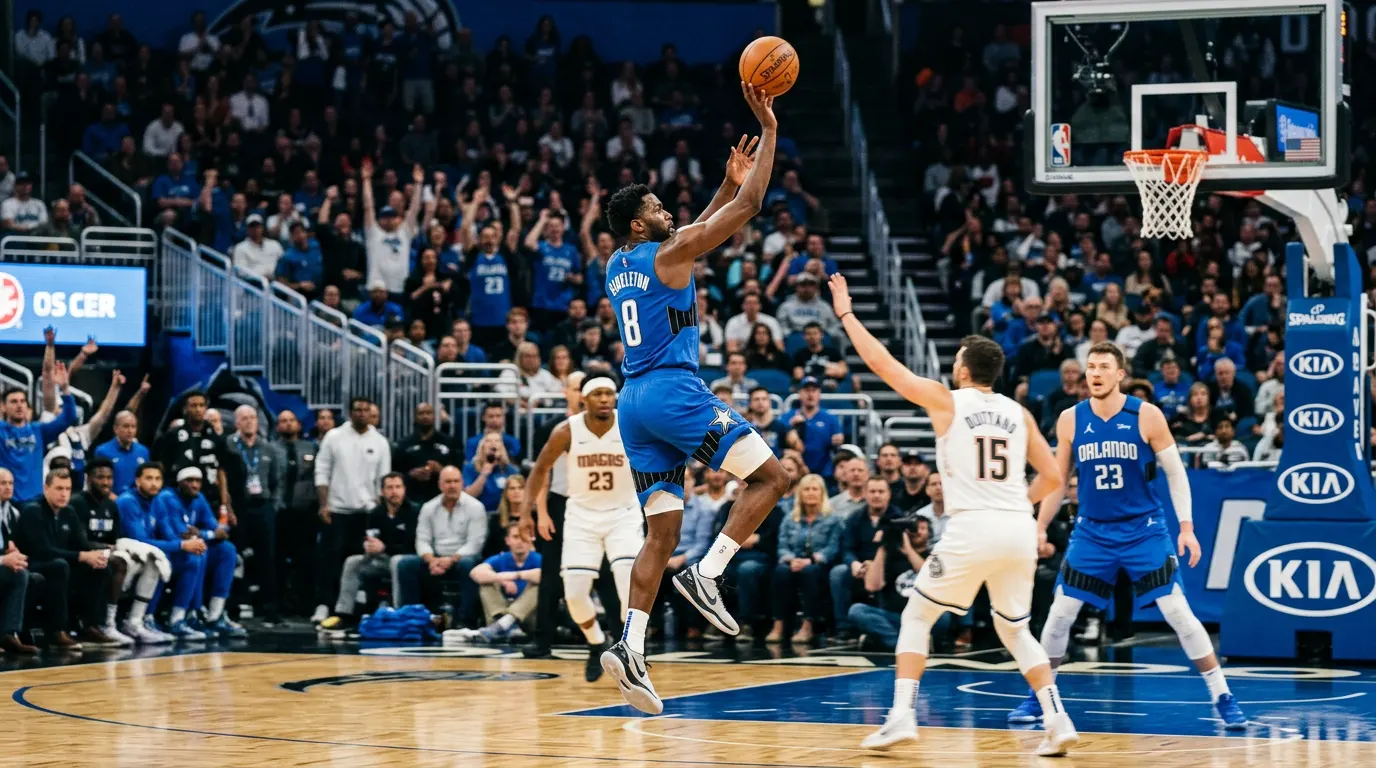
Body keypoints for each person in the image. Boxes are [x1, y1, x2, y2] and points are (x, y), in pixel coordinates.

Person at [599, 87, 791, 716]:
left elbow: (691, 234)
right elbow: (752, 206)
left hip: (633, 402)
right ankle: (708, 574)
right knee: (773, 476)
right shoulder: (670, 253)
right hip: (673, 392)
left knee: (661, 530)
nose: (666, 210)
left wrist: (720, 189)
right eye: (657, 206)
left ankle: (630, 645)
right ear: (638, 222)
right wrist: (766, 127)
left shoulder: (619, 262)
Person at [831, 273, 1078, 756]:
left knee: (917, 617)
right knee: (1015, 629)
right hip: (1017, 531)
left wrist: (847, 314)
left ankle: (901, 716)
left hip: (973, 528)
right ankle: (1057, 719)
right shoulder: (1019, 413)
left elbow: (884, 366)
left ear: (964, 369)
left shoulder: (947, 401)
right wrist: (1012, 504)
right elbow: (1052, 477)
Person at [1005, 341, 1247, 731]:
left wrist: (1186, 527)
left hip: (1143, 530)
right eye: (1090, 367)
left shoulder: (1146, 415)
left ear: (1120, 375)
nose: (1095, 373)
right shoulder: (1070, 419)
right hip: (1093, 532)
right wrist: (1038, 524)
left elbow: (1176, 473)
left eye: (1103, 367)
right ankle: (1039, 696)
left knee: (1178, 613)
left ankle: (1222, 695)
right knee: (1059, 615)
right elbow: (1055, 479)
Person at [522, 377, 643, 681]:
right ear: (584, 399)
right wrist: (526, 513)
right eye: (598, 394)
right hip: (580, 516)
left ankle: (631, 651)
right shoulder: (566, 430)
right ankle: (597, 643)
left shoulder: (629, 425)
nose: (605, 399)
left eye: (609, 394)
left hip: (623, 514)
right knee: (574, 595)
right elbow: (539, 470)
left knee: (627, 582)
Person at [312, 397, 392, 623]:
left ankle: (356, 609)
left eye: (366, 410)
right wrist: (323, 504)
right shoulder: (334, 437)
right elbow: (322, 471)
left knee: (361, 563)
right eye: (358, 410)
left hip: (367, 512)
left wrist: (378, 513)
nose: (362, 414)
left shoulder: (380, 442)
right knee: (330, 561)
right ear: (350, 412)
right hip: (336, 509)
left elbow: (383, 480)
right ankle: (324, 605)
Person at [17, 469, 116, 647]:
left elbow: (81, 544)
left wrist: (98, 554)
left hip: (61, 562)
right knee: (59, 566)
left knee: (100, 566)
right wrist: (82, 555)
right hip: (33, 563)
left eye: (68, 489)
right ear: (46, 488)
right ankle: (57, 630)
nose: (64, 494)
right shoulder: (33, 511)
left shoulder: (68, 512)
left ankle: (91, 625)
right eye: (59, 488)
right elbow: (43, 551)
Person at [151, 466, 244, 639]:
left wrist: (203, 533)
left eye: (198, 481)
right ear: (180, 483)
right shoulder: (167, 498)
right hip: (170, 550)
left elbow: (218, 530)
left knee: (227, 550)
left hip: (188, 546)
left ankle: (215, 615)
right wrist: (206, 534)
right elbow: (181, 534)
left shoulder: (199, 498)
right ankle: (181, 616)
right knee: (197, 552)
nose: (194, 485)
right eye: (190, 481)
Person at [317, 472, 418, 630]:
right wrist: (367, 546)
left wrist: (385, 547)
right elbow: (370, 536)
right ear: (382, 492)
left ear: (404, 489)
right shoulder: (376, 513)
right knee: (353, 561)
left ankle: (398, 613)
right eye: (390, 488)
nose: (394, 491)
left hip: (408, 561)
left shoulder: (414, 512)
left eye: (398, 487)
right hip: (381, 559)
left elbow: (414, 546)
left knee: (396, 561)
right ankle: (344, 614)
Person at [396, 466, 487, 623]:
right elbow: (422, 539)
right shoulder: (429, 507)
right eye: (448, 482)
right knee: (405, 564)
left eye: (456, 481)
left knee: (468, 564)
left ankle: (465, 619)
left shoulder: (476, 507)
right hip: (435, 559)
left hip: (463, 559)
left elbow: (475, 543)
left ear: (462, 483)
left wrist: (451, 559)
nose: (452, 485)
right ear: (440, 485)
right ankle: (412, 617)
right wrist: (431, 560)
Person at [226, 405, 286, 624]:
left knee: (267, 558)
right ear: (237, 422)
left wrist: (274, 505)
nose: (249, 421)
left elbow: (277, 480)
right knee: (235, 556)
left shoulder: (268, 448)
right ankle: (231, 607)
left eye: (252, 417)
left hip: (263, 506)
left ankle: (270, 608)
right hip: (239, 507)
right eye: (244, 418)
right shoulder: (229, 446)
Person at [2, 364, 79, 502]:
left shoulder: (38, 430)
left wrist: (65, 389)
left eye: (22, 401)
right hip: (7, 501)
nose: (19, 405)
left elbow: (68, 417)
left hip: (34, 502)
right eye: (13, 402)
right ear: (3, 407)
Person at [153, 390, 233, 521]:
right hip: (178, 498)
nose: (198, 409)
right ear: (185, 409)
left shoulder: (216, 438)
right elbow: (163, 467)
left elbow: (221, 471)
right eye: (194, 405)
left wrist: (225, 504)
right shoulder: (173, 436)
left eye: (201, 405)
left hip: (209, 497)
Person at [458, 523, 543, 643]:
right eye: (516, 537)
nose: (520, 541)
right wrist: (502, 580)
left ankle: (504, 625)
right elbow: (475, 573)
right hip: (498, 614)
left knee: (540, 585)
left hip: (528, 618)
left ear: (531, 540)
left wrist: (516, 575)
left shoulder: (538, 558)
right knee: (486, 583)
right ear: (507, 540)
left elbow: (550, 575)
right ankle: (506, 625)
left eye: (524, 537)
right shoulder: (501, 558)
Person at [94, 410, 150, 495]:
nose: (130, 431)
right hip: (112, 502)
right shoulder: (103, 452)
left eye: (133, 427)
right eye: (126, 426)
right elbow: (98, 482)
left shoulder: (143, 452)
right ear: (116, 429)